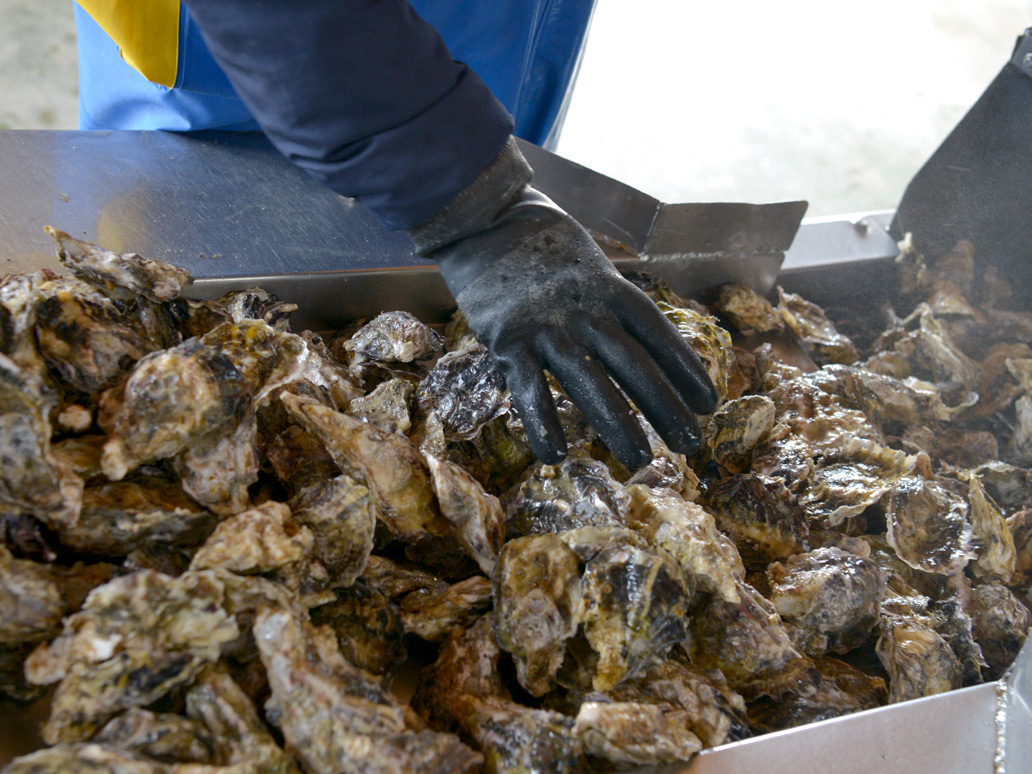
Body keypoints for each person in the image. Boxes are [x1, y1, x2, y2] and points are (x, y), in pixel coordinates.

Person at [73, 0, 719, 470]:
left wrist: (477, 159)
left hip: (480, 59)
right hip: (236, 64)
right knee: (171, 328)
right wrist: (473, 199)